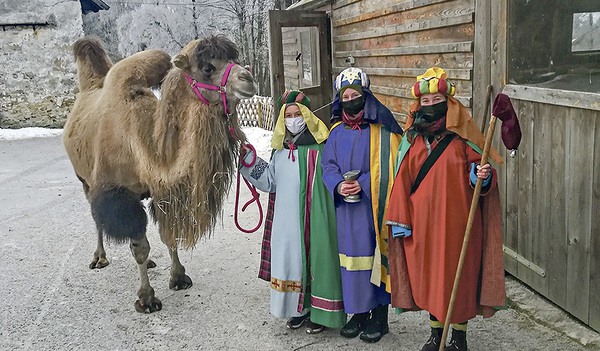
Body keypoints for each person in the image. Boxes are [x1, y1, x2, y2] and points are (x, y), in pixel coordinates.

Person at [385, 67, 506, 351]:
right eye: (425, 102)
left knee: (458, 278)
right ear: (418, 106)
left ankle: (459, 338)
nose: (430, 105)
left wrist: (482, 175)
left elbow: (479, 171)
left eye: (436, 99)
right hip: (423, 227)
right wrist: (401, 220)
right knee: (430, 279)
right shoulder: (412, 141)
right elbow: (401, 181)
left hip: (459, 224)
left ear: (448, 102)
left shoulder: (463, 140)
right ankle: (436, 334)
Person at [239, 90, 346, 333]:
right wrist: (249, 160)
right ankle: (299, 310)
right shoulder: (281, 150)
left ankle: (320, 312)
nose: (294, 119)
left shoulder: (320, 148)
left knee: (315, 259)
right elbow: (270, 181)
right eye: (288, 115)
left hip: (313, 216)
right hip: (286, 222)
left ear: (307, 115)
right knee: (292, 262)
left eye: (298, 114)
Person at [321, 67, 403, 343]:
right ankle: (358, 312)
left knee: (376, 258)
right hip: (347, 209)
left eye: (356, 95)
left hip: (373, 208)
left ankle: (380, 316)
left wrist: (364, 184)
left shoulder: (383, 130)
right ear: (339, 100)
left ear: (365, 96)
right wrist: (338, 184)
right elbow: (327, 165)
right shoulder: (335, 132)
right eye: (346, 96)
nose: (351, 100)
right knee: (352, 261)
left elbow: (392, 169)